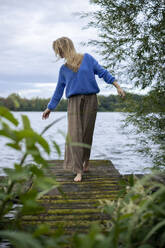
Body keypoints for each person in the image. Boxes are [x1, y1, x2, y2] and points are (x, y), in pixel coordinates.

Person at [42, 36, 125, 182]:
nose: (59, 55)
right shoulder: (63, 69)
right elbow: (58, 90)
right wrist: (50, 108)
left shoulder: (87, 59)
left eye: (59, 51)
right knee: (74, 135)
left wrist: (117, 85)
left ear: (65, 48)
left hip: (91, 100)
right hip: (73, 102)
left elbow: (103, 72)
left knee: (87, 133)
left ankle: (86, 161)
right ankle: (78, 170)